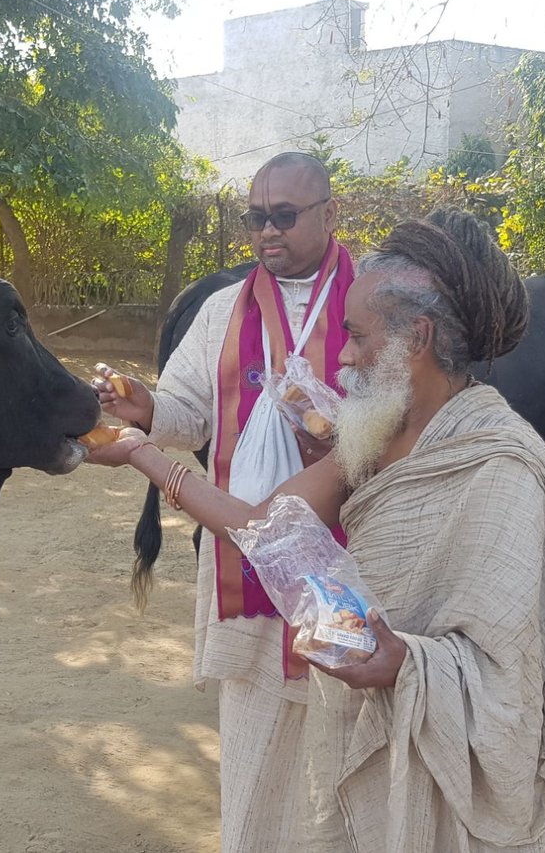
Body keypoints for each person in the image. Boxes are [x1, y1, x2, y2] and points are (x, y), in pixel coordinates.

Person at [89, 210, 545, 851]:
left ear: (419, 338)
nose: (341, 358)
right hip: (360, 724)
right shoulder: (375, 435)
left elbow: (510, 669)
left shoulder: (503, 467)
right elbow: (265, 528)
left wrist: (410, 664)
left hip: (448, 769)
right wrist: (141, 453)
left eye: (356, 336)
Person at [94, 151, 352, 851]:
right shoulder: (221, 311)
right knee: (256, 745)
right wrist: (144, 403)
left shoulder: (372, 300)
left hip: (355, 565)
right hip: (249, 564)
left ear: (331, 214)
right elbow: (189, 412)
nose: (267, 233)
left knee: (352, 747)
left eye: (285, 217)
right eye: (255, 218)